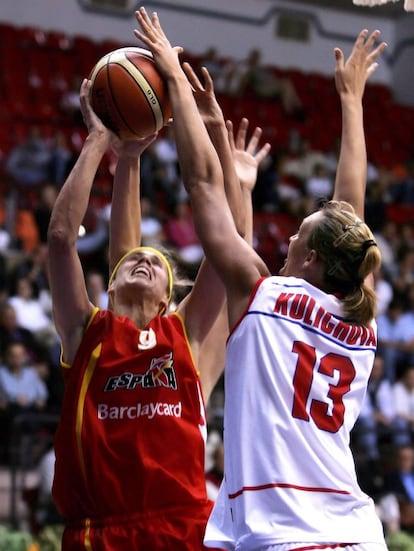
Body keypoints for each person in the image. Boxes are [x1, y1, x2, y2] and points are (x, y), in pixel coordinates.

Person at [139, 13, 387, 549]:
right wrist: (352, 102)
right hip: (353, 529)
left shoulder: (262, 293)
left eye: (297, 234)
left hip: (282, 528)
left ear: (313, 258)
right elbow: (350, 211)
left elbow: (202, 184)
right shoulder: (358, 313)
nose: (288, 240)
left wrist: (175, 82)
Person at [47, 16, 270, 550]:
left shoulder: (187, 338)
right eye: (130, 262)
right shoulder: (87, 332)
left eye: (154, 263)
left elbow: (232, 247)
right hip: (97, 532)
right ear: (110, 283)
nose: (141, 262)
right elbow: (60, 238)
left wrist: (228, 161)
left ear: (171, 297)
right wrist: (105, 145)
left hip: (181, 528)